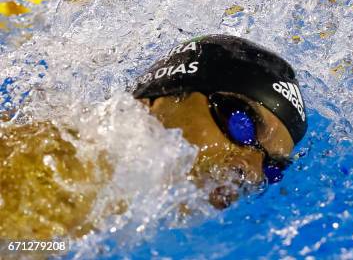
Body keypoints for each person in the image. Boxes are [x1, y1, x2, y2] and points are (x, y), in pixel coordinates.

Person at [0, 34, 307, 240]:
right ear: (158, 98)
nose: (251, 172)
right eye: (243, 124)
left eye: (272, 169)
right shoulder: (63, 166)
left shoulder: (131, 206)